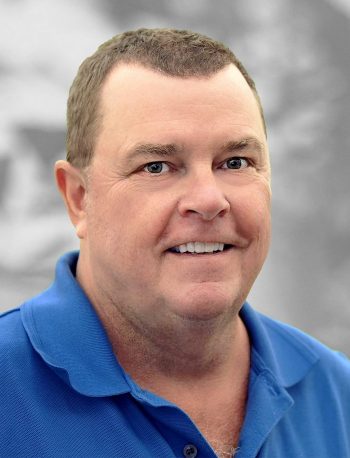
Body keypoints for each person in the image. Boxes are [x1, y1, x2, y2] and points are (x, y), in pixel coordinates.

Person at [0, 28, 349, 458]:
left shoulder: (338, 396)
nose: (208, 200)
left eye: (236, 162)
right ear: (78, 198)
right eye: (158, 166)